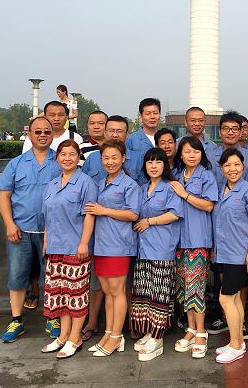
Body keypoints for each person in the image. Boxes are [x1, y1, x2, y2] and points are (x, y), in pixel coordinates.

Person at [0, 116, 61, 342]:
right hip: (21, 230)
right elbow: (4, 196)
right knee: (17, 276)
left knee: (51, 277)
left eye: (47, 132)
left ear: (52, 134)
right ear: (29, 135)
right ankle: (16, 320)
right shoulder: (16, 163)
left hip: (52, 232)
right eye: (38, 132)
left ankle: (53, 318)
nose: (43, 135)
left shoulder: (60, 161)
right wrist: (9, 224)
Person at [40, 140, 98, 359]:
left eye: (72, 154)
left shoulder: (86, 182)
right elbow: (48, 217)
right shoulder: (52, 184)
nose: (67, 158)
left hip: (76, 247)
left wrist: (84, 243)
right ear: (57, 158)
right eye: (63, 154)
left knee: (76, 294)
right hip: (55, 247)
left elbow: (90, 215)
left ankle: (75, 337)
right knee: (60, 294)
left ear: (78, 157)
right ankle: (63, 335)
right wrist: (46, 242)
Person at [85, 140, 141, 357]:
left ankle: (117, 336)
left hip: (119, 245)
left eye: (114, 157)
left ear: (123, 158)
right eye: (106, 158)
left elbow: (133, 214)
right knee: (108, 292)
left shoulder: (129, 184)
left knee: (117, 292)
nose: (110, 162)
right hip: (101, 245)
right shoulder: (100, 183)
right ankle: (108, 333)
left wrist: (104, 210)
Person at [212, 149, 248, 363]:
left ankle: (235, 345)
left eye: (236, 165)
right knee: (233, 298)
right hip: (223, 253)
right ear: (221, 168)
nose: (232, 169)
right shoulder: (220, 190)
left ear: (243, 166)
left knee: (225, 298)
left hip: (240, 254)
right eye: (227, 165)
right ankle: (238, 342)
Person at [131, 148, 183, 361]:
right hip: (143, 248)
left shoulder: (170, 187)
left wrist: (149, 221)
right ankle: (149, 331)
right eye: (150, 162)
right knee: (145, 292)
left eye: (158, 162)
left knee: (160, 293)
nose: (154, 166)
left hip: (162, 247)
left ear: (165, 165)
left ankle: (157, 338)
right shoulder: (142, 188)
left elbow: (175, 213)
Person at [170, 136, 218, 359]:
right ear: (181, 154)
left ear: (201, 154)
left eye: (196, 151)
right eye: (187, 151)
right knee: (183, 288)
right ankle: (190, 329)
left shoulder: (206, 176)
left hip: (198, 240)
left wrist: (185, 194)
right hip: (179, 240)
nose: (192, 155)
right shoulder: (176, 177)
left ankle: (201, 332)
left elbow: (208, 205)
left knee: (196, 288)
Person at [76, 110, 108, 342]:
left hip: (119, 226)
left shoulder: (126, 154)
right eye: (92, 123)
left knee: (121, 280)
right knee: (95, 278)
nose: (97, 127)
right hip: (92, 223)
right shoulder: (89, 155)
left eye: (101, 123)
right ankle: (92, 321)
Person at [208, 112, 248, 189]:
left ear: (240, 132)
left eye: (234, 129)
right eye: (226, 128)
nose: (230, 133)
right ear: (219, 132)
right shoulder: (209, 157)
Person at [82, 116, 138, 183]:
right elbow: (82, 184)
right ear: (105, 133)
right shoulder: (92, 158)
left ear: (127, 135)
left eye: (119, 131)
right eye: (111, 131)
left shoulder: (138, 159)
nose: (115, 135)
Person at [126, 98, 161, 185]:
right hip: (139, 187)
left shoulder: (165, 139)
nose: (152, 117)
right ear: (141, 116)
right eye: (148, 113)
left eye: (155, 113)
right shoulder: (131, 140)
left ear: (160, 114)